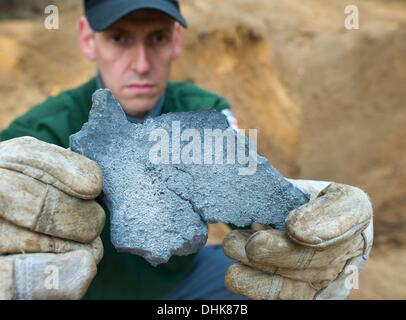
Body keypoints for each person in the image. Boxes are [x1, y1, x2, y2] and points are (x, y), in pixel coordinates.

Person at [0, 0, 373, 300]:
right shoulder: (41, 130)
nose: (142, 64)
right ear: (87, 39)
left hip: (184, 289)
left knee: (272, 285)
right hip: (88, 292)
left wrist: (308, 219)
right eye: (119, 39)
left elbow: (250, 199)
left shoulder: (202, 110)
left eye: (157, 38)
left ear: (176, 40)